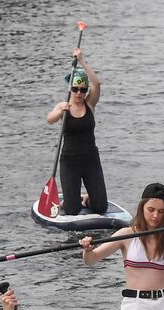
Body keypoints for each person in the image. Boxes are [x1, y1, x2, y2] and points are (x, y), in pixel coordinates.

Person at [45, 48, 106, 216]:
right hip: (70, 163)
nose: (79, 93)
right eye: (75, 88)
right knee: (72, 210)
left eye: (82, 89)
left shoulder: (90, 104)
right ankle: (72, 199)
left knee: (100, 208)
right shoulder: (63, 106)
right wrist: (59, 112)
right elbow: (49, 119)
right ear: (70, 88)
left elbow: (98, 83)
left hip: (91, 160)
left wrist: (82, 61)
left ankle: (87, 197)